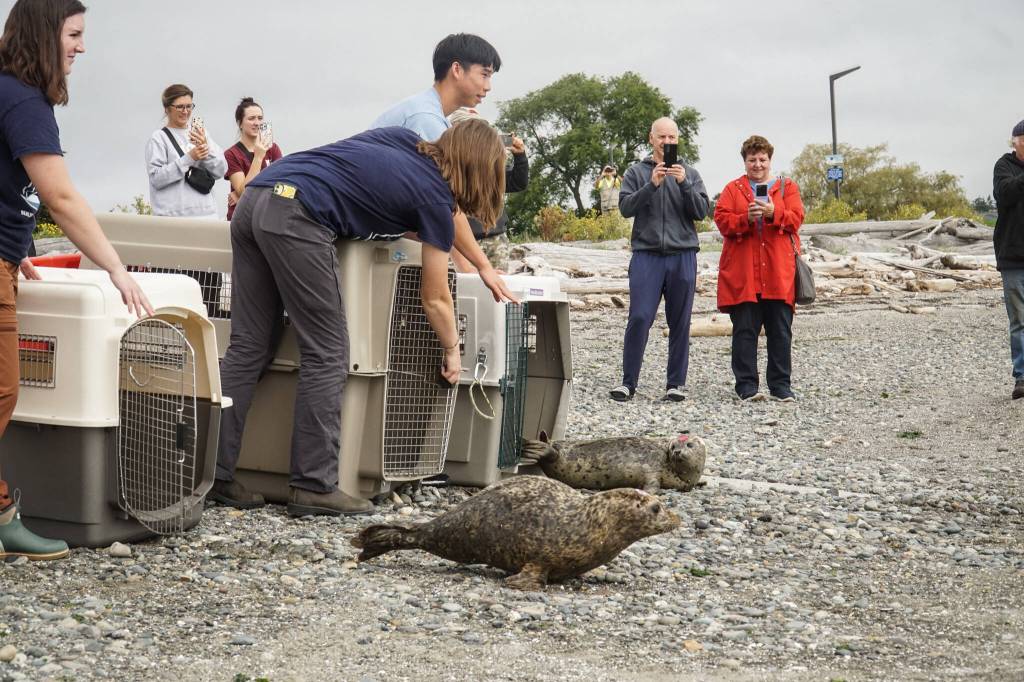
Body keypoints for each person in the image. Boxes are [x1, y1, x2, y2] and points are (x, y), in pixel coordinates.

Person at [211, 120, 517, 516]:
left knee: (250, 345)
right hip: (297, 216)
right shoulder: (432, 199)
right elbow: (436, 298)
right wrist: (452, 350)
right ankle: (313, 485)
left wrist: (482, 264)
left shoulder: (407, 142)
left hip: (257, 198)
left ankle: (213, 474)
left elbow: (447, 210)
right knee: (328, 352)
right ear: (480, 168)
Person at [0, 0, 153, 559]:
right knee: (2, 389)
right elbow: (59, 197)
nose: (81, 47)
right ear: (45, 34)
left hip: (7, 260)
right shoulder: (23, 99)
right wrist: (115, 268)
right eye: (74, 34)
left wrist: (19, 251)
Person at [609, 117, 709, 403]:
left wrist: (684, 184)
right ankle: (628, 382)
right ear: (651, 138)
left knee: (680, 321)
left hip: (683, 255)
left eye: (672, 138)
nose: (667, 142)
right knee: (639, 317)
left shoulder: (690, 173)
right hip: (647, 255)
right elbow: (626, 208)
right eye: (662, 137)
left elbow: (701, 211)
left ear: (677, 140)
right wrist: (652, 185)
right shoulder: (636, 172)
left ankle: (675, 384)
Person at [714, 135, 805, 402]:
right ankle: (746, 386)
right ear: (744, 162)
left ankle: (780, 386)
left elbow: (797, 218)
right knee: (744, 330)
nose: (757, 164)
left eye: (762, 159)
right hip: (744, 275)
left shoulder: (787, 187)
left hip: (779, 272)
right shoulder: (733, 189)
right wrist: (746, 218)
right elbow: (721, 220)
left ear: (770, 160)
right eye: (752, 160)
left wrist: (773, 213)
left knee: (780, 330)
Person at [372, 33, 500, 142]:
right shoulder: (425, 119)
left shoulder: (430, 114)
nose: (488, 87)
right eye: (484, 75)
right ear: (457, 70)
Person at [448, 106, 528, 271]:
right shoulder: (446, 161)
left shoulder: (490, 162)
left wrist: (520, 156)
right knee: (459, 291)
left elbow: (517, 183)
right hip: (459, 243)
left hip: (494, 239)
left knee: (495, 292)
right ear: (454, 129)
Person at [145, 83, 227, 219]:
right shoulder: (159, 138)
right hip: (172, 219)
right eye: (179, 107)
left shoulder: (202, 134)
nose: (185, 111)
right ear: (167, 109)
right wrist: (189, 158)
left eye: (189, 106)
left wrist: (207, 153)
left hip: (207, 216)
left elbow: (221, 171)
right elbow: (156, 179)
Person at [993, 119, 1024, 400]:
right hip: (1013, 257)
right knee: (1019, 321)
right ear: (1015, 142)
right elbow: (1005, 194)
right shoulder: (1003, 168)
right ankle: (1022, 377)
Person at [224, 96, 282, 221]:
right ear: (240, 123)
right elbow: (245, 193)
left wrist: (240, 195)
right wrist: (258, 157)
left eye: (260, 118)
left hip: (267, 216)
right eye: (251, 119)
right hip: (242, 220)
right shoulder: (231, 154)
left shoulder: (273, 148)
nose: (257, 123)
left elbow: (282, 185)